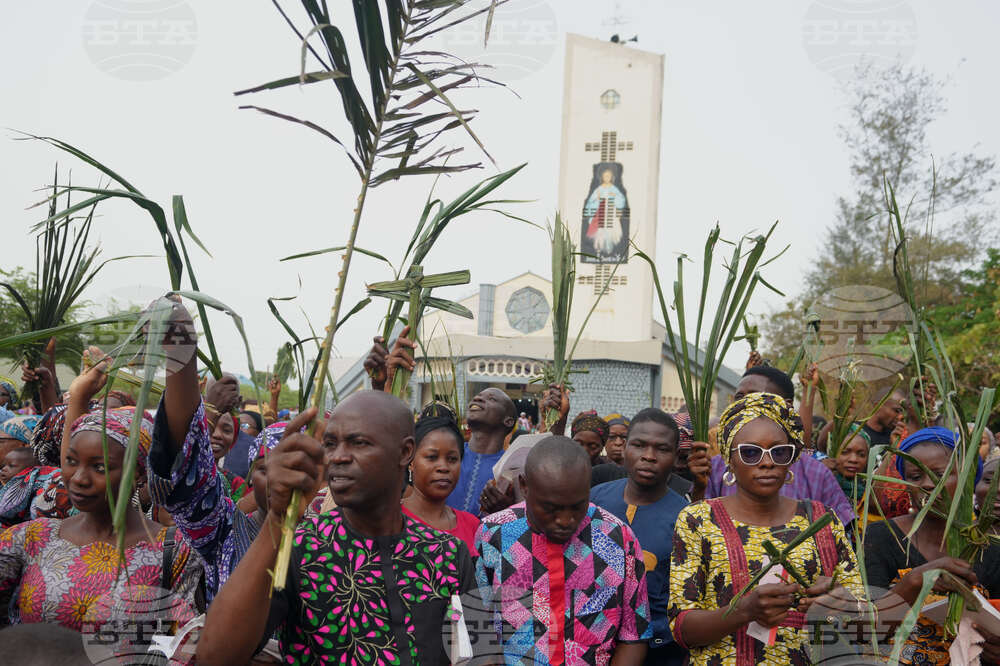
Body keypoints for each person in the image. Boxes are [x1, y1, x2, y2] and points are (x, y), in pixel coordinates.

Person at [197, 390, 475, 665]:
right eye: (330, 444)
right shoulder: (299, 550)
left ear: (405, 452)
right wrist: (278, 520)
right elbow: (215, 656)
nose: (338, 457)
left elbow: (481, 651)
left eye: (358, 443)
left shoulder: (450, 554)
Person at [0, 346, 202, 633]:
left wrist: (181, 350)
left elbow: (184, 646)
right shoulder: (35, 537)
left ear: (139, 474)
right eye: (71, 461)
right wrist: (79, 394)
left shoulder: (175, 551)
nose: (78, 478)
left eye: (100, 467)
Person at [668, 393, 864, 665]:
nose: (767, 462)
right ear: (729, 459)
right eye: (750, 452)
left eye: (779, 451)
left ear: (791, 459)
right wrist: (743, 611)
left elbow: (865, 617)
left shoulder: (822, 520)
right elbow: (682, 629)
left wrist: (840, 602)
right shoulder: (698, 519)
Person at [475, 435, 651, 665]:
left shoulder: (618, 538)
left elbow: (634, 636)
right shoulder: (492, 535)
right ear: (525, 486)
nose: (565, 520)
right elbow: (477, 630)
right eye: (551, 508)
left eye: (577, 506)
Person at [864, 427, 1000, 664]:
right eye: (916, 477)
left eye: (940, 474)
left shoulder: (991, 547)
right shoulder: (880, 538)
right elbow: (865, 631)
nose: (927, 484)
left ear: (968, 477)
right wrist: (915, 581)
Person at [690, 365, 856, 527]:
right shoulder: (717, 466)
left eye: (755, 397)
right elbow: (698, 529)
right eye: (739, 398)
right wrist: (699, 488)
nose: (745, 405)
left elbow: (840, 535)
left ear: (786, 405)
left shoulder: (816, 473)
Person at [591, 408, 689, 665]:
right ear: (624, 449)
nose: (649, 456)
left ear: (677, 457)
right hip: (591, 645)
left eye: (662, 449)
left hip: (659, 652)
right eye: (639, 445)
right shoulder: (593, 500)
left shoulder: (687, 519)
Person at [400, 405, 481, 556]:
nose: (443, 467)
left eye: (452, 459)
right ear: (411, 461)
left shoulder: (473, 525)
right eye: (432, 457)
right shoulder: (390, 521)